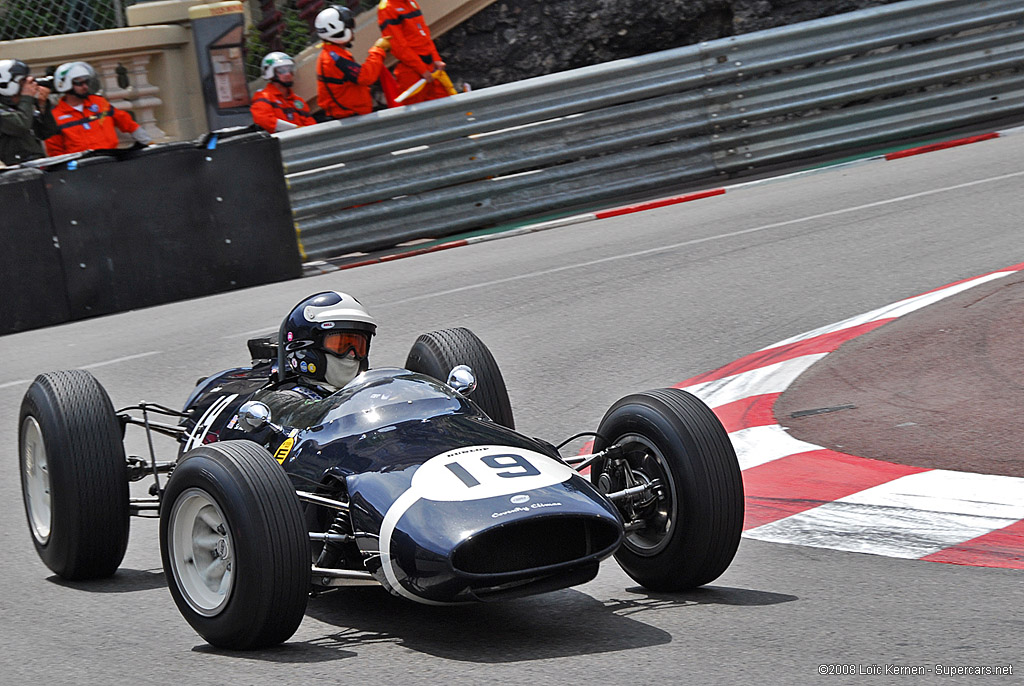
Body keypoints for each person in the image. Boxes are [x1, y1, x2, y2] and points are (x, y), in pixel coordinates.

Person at [273, 290, 377, 401]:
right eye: (340, 345)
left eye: (358, 346)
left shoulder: (371, 389)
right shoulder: (287, 400)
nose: (351, 354)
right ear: (304, 349)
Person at [44, 61, 151, 157]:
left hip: (110, 159)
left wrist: (148, 143)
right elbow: (55, 152)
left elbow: (127, 123)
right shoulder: (55, 117)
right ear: (65, 85)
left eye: (86, 82)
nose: (85, 87)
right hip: (82, 166)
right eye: (79, 83)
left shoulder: (99, 103)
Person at [314, 4, 391, 119]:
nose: (352, 31)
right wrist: (378, 50)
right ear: (337, 30)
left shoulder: (332, 53)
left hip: (352, 114)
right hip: (349, 117)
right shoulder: (334, 58)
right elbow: (365, 77)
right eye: (349, 28)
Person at [377, 0, 450, 105]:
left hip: (429, 67)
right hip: (412, 71)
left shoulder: (410, 2)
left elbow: (424, 33)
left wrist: (436, 59)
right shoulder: (387, 8)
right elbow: (397, 46)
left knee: (445, 106)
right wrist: (421, 69)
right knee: (417, 113)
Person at [0, 59, 58, 166]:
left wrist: (43, 105)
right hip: (12, 168)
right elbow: (20, 126)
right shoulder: (21, 104)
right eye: (23, 81)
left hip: (36, 162)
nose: (29, 84)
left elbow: (47, 132)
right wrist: (27, 97)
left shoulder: (22, 104)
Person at [250, 52, 317, 133]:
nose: (288, 74)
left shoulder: (297, 100)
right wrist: (297, 130)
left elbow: (310, 123)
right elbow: (265, 121)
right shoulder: (263, 98)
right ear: (270, 73)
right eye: (282, 70)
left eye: (290, 69)